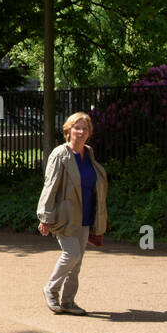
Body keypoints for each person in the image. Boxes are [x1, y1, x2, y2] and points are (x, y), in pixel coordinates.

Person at [36, 112, 108, 314]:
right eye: (77, 127)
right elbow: (49, 187)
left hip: (85, 214)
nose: (81, 132)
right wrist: (45, 217)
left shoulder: (89, 153)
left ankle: (68, 301)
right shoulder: (61, 154)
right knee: (72, 254)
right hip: (64, 215)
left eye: (85, 128)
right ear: (68, 130)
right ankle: (51, 289)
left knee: (77, 261)